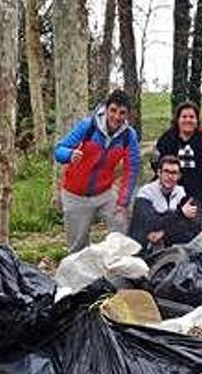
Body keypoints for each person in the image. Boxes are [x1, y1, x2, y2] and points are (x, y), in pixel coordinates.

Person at [54, 89, 141, 253]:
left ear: (127, 115)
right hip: (75, 195)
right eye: (113, 110)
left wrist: (123, 201)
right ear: (106, 109)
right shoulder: (88, 126)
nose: (116, 117)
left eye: (122, 113)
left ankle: (118, 271)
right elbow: (59, 150)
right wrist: (70, 154)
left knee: (121, 227)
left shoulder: (129, 136)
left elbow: (132, 169)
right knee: (77, 247)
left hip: (105, 193)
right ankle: (79, 277)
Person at [129, 155, 202, 253]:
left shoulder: (182, 193)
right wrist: (180, 214)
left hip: (168, 245)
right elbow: (150, 223)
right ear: (159, 173)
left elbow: (194, 227)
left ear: (179, 176)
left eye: (174, 173)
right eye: (166, 171)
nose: (170, 176)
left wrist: (163, 233)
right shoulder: (145, 193)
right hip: (142, 246)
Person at [153, 102, 202, 208]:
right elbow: (156, 164)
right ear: (177, 120)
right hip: (169, 191)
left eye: (192, 117)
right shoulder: (167, 139)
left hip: (196, 193)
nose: (188, 120)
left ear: (197, 121)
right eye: (184, 117)